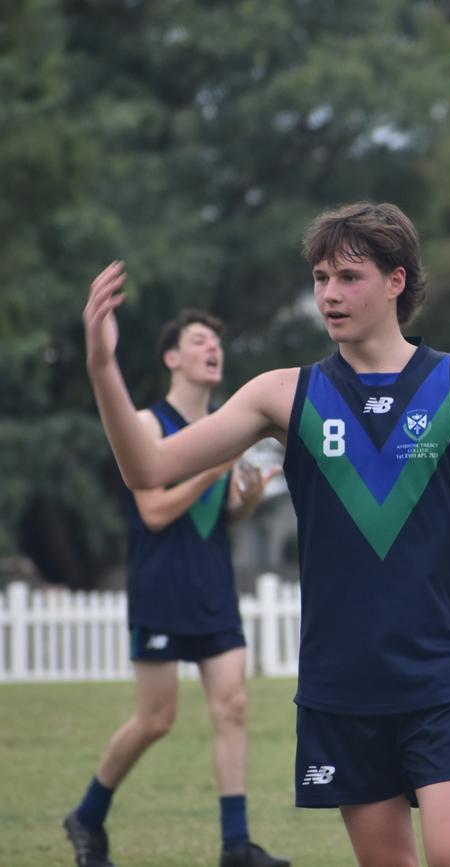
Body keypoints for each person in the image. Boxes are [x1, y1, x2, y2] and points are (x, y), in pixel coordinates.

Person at [82, 202, 450, 867]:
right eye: (320, 277)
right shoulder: (283, 395)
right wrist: (101, 368)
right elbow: (147, 467)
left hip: (442, 679)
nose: (328, 293)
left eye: (348, 276)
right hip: (341, 687)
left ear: (396, 281)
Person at [64, 309, 289, 867]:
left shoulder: (224, 424)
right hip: (160, 589)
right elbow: (157, 511)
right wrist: (215, 470)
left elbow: (224, 517)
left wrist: (250, 496)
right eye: (199, 340)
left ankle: (236, 845)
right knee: (156, 719)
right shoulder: (147, 425)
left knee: (232, 706)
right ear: (172, 359)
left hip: (213, 586)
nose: (213, 348)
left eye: (217, 341)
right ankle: (87, 815)